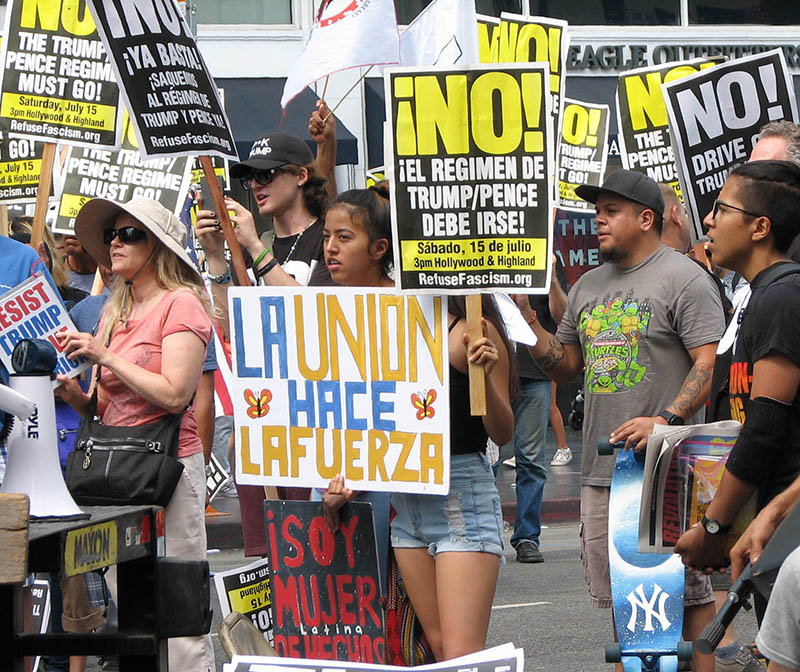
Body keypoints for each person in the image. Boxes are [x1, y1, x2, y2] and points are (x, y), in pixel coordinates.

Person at [515, 169, 725, 672]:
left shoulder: (683, 276)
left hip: (666, 470)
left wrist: (665, 420)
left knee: (688, 596)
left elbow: (707, 364)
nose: (598, 220)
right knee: (626, 604)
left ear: (646, 218)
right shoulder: (589, 286)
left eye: (610, 211)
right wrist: (528, 321)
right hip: (602, 473)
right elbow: (566, 364)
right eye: (597, 211)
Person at [56, 197, 216, 672]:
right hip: (119, 471)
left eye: (129, 234)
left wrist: (105, 358)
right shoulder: (114, 311)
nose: (114, 243)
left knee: (178, 605)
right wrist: (75, 397)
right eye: (111, 236)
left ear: (159, 247)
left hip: (168, 467)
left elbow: (174, 394)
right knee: (133, 603)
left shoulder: (180, 303)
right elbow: (107, 407)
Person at [195, 129, 335, 557]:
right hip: (264, 423)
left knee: (318, 555)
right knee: (269, 559)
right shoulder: (255, 249)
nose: (256, 185)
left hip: (319, 420)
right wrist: (218, 255)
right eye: (250, 177)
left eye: (267, 174)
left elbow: (315, 315)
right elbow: (230, 327)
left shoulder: (328, 238)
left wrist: (255, 246)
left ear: (301, 177)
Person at [674, 162, 800, 580]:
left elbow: (763, 428)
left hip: (786, 534)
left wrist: (715, 526)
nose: (708, 220)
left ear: (760, 227)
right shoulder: (760, 295)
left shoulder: (781, 297)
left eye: (722, 209)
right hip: (767, 530)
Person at [391, 292, 514, 661]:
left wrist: (486, 377)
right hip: (406, 497)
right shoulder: (390, 321)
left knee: (461, 656)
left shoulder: (475, 329)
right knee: (440, 647)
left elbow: (502, 432)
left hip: (460, 495)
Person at [500, 256, 567, 564]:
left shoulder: (543, 254)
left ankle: (527, 536)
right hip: (493, 369)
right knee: (487, 459)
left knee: (531, 459)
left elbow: (563, 315)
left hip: (532, 371)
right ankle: (485, 533)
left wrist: (551, 275)